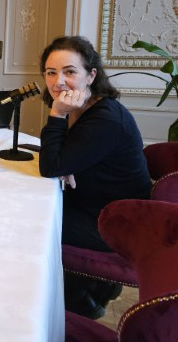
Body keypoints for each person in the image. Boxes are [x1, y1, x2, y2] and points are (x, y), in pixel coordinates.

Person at [38, 35, 151, 319]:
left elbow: (50, 166)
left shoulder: (104, 118)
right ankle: (88, 292)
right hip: (97, 204)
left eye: (70, 71)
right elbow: (63, 160)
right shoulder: (89, 108)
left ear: (91, 75)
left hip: (113, 222)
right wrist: (68, 164)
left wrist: (57, 115)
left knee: (29, 220)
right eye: (51, 72)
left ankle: (78, 303)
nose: (58, 81)